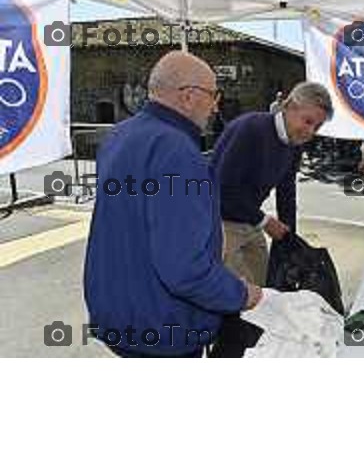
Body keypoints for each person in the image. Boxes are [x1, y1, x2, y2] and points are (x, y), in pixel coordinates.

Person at [84, 51, 262, 358]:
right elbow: (185, 269)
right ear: (189, 96)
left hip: (119, 311)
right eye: (213, 95)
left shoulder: (119, 135)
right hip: (164, 323)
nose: (215, 105)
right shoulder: (177, 152)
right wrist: (241, 294)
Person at [212, 82, 334, 285]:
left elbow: (286, 191)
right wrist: (265, 222)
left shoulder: (295, 143)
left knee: (263, 284)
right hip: (219, 221)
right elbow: (222, 190)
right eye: (307, 121)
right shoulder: (250, 129)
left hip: (248, 218)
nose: (310, 132)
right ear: (289, 106)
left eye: (317, 126)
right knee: (239, 294)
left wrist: (289, 238)